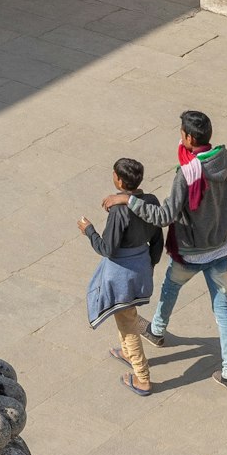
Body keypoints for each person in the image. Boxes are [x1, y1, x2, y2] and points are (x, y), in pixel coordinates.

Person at [102, 109, 227, 395]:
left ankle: (158, 330)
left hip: (192, 250)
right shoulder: (223, 158)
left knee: (171, 286)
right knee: (222, 307)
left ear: (189, 138)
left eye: (182, 132)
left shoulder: (187, 174)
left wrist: (129, 201)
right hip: (221, 245)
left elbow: (164, 215)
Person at [79, 157, 164, 396]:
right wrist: (150, 264)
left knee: (127, 321)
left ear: (118, 180)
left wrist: (89, 231)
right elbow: (158, 238)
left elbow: (107, 249)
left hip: (121, 276)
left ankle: (142, 377)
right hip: (142, 267)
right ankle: (128, 351)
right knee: (124, 314)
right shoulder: (151, 202)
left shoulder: (119, 212)